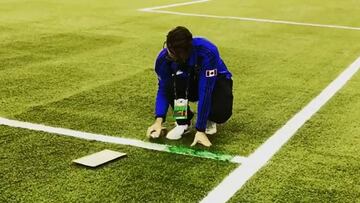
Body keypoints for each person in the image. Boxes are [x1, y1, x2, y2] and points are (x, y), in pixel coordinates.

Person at [146, 26, 233, 147]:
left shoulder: (208, 52)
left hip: (216, 81)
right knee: (172, 83)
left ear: (183, 53)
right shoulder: (163, 59)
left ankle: (209, 118)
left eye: (173, 52)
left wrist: (200, 130)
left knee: (221, 113)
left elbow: (205, 90)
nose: (168, 53)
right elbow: (164, 88)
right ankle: (183, 122)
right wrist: (158, 121)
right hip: (189, 80)